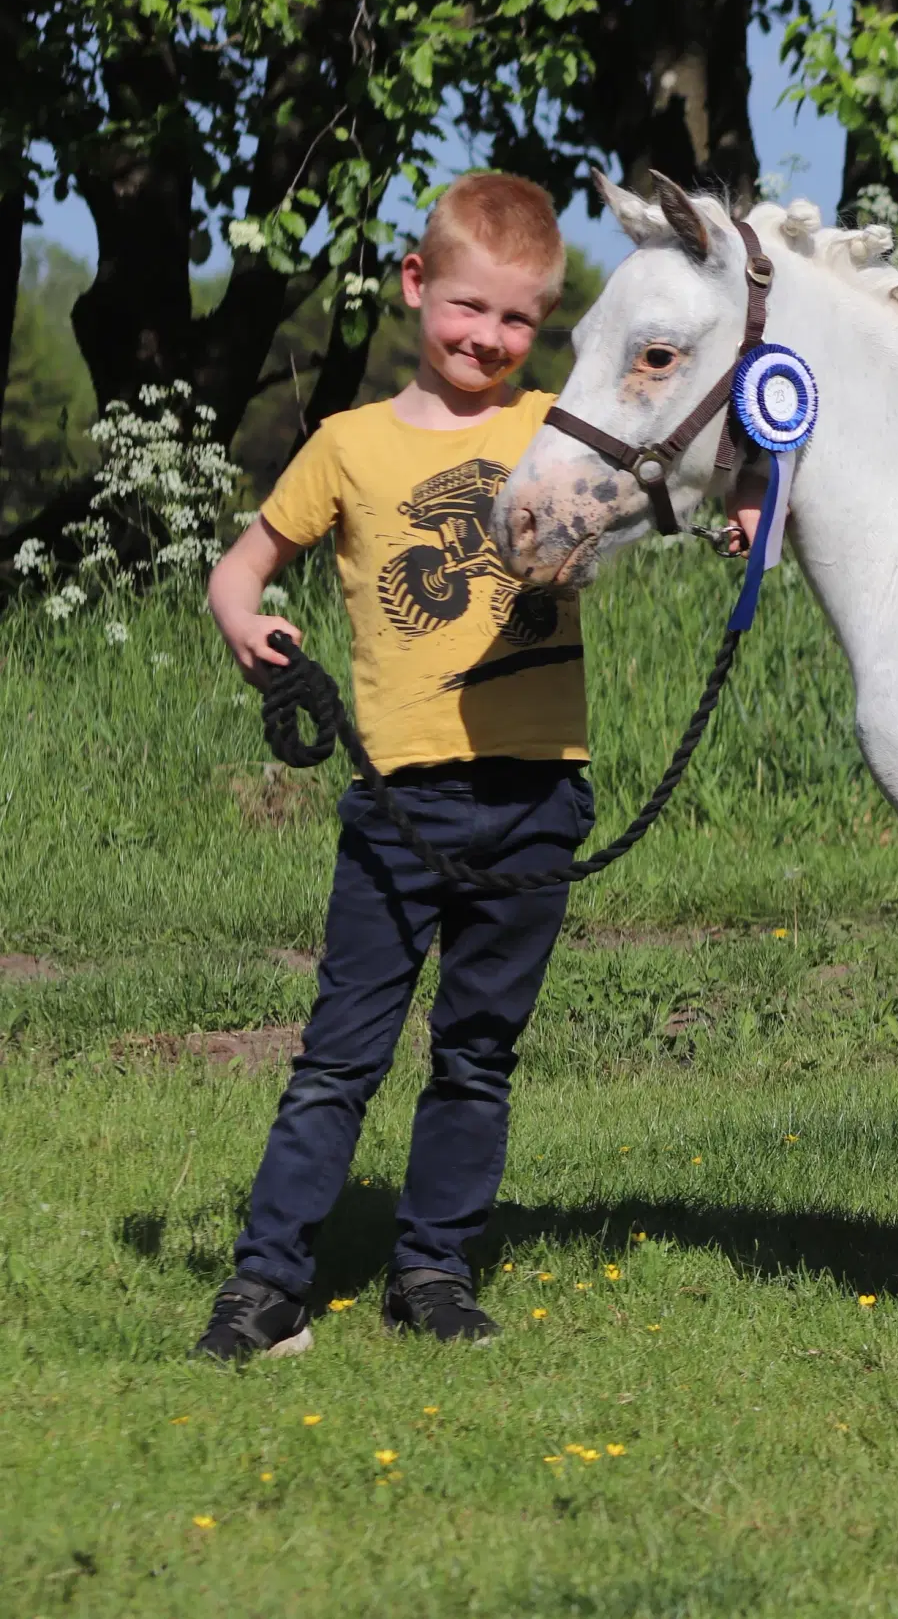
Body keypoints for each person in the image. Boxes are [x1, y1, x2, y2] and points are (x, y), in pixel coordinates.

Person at [191, 171, 593, 1360]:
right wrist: (246, 626)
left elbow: (681, 483)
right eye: (471, 308)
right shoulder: (347, 445)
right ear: (418, 286)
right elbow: (237, 567)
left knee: (477, 1052)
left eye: (520, 319)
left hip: (535, 794)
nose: (490, 337)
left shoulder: (559, 430)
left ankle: (433, 1264)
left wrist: (739, 502)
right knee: (340, 1056)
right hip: (399, 800)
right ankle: (266, 1282)